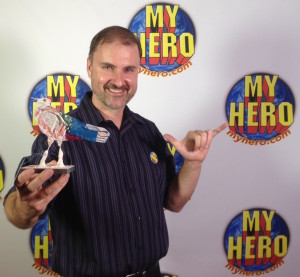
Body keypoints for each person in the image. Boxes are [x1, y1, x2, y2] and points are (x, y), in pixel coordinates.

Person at [4, 26, 227, 276]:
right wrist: (25, 206)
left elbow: (173, 202)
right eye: (107, 67)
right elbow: (17, 211)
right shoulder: (61, 134)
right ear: (90, 67)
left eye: (128, 69)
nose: (119, 81)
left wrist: (193, 164)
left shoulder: (148, 131)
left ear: (139, 71)